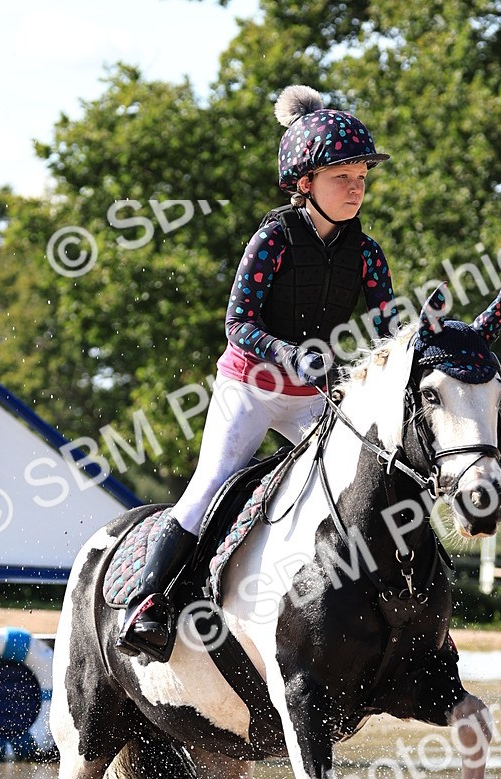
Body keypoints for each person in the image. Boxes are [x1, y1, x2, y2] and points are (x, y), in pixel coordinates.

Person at [118, 84, 397, 660]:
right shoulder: (273, 238)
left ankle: (389, 604)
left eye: (361, 178)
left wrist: (427, 338)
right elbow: (237, 323)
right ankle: (149, 605)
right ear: (305, 183)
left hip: (312, 396)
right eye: (342, 177)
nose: (356, 188)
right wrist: (288, 354)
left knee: (364, 481)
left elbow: (388, 331)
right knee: (210, 485)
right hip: (250, 386)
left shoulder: (368, 254)